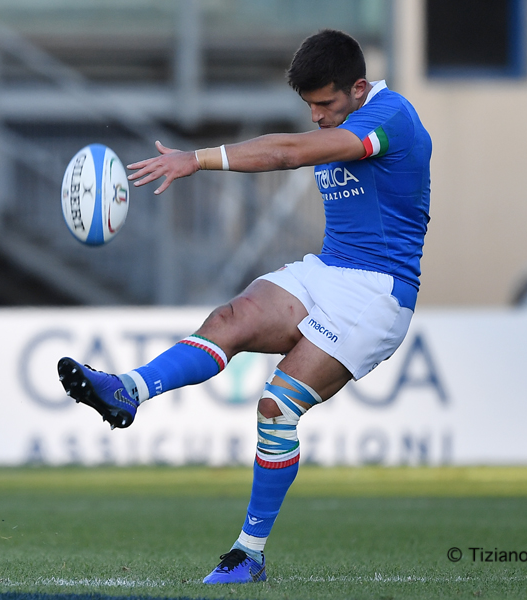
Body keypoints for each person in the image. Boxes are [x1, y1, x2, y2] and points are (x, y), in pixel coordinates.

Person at [58, 29, 431, 584]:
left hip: (378, 292)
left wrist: (197, 159)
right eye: (309, 106)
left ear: (358, 88)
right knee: (228, 319)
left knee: (276, 408)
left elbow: (289, 153)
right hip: (328, 269)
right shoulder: (344, 114)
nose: (317, 116)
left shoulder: (391, 116)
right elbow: (298, 144)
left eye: (325, 104)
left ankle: (248, 554)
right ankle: (127, 391)